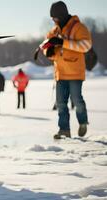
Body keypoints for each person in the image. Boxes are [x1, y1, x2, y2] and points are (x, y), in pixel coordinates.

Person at [43, 1, 91, 139]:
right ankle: (64, 130)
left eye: (55, 17)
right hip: (60, 73)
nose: (53, 19)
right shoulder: (54, 31)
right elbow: (46, 48)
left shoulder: (79, 28)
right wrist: (49, 51)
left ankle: (82, 122)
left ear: (62, 15)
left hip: (75, 72)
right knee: (61, 103)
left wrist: (63, 42)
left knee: (76, 100)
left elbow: (86, 45)